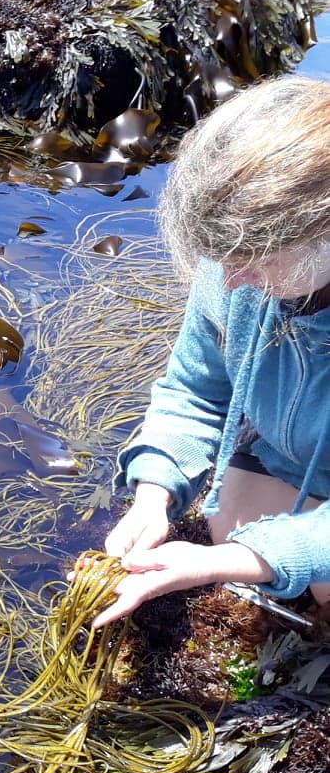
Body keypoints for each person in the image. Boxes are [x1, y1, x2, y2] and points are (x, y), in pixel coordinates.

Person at [97, 74, 330, 628]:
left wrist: (230, 560)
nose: (228, 282)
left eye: (253, 258)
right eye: (217, 256)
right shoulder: (236, 259)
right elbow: (195, 391)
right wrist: (154, 493)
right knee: (237, 544)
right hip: (286, 449)